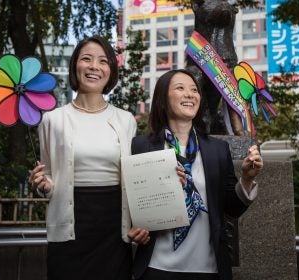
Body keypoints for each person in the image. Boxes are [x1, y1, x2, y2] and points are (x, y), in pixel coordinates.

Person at [127, 69, 263, 280]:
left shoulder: (217, 149)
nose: (190, 94)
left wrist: (247, 178)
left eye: (194, 90)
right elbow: (131, 204)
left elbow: (231, 209)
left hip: (208, 268)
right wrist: (135, 229)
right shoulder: (141, 146)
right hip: (156, 266)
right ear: (163, 99)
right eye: (180, 88)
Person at [28, 35, 137, 280]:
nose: (94, 67)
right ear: (75, 66)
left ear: (111, 69)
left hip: (114, 227)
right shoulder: (51, 120)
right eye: (86, 59)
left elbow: (133, 178)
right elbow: (48, 182)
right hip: (69, 227)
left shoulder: (126, 120)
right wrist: (43, 186)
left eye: (103, 61)